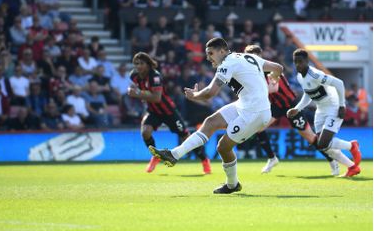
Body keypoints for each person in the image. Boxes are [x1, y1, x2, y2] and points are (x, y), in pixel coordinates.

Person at [149, 38, 283, 194]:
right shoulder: (248, 56)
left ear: (222, 51)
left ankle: (232, 185)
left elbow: (210, 93)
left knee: (223, 147)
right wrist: (275, 77)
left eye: (211, 53)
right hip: (246, 105)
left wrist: (194, 96)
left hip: (255, 113)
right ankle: (174, 154)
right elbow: (278, 67)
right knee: (211, 122)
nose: (208, 58)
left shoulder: (227, 64)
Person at [242, 45, 339, 176]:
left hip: (291, 106)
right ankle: (272, 158)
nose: (252, 60)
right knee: (258, 128)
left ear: (260, 57)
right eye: (249, 57)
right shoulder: (254, 74)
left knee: (310, 137)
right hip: (276, 106)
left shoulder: (271, 69)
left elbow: (274, 89)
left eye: (255, 57)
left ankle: (332, 160)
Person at [128, 53, 211, 174]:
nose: (138, 66)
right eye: (136, 63)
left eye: (141, 63)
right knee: (145, 132)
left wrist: (138, 93)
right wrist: (132, 90)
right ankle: (156, 156)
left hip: (168, 111)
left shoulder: (155, 76)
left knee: (186, 137)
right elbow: (133, 87)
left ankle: (204, 160)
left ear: (148, 64)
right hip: (153, 111)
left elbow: (157, 98)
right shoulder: (134, 76)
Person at [289, 49, 363, 178]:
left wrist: (342, 105)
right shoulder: (300, 77)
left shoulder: (315, 75)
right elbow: (308, 94)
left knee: (323, 143)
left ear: (307, 61)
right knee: (322, 146)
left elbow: (339, 83)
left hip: (333, 107)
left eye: (300, 62)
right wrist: (297, 108)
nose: (297, 65)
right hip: (320, 109)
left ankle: (352, 146)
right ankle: (352, 167)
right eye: (295, 62)